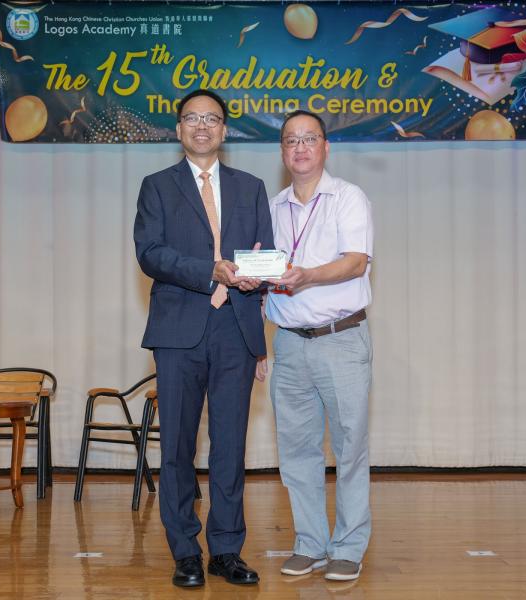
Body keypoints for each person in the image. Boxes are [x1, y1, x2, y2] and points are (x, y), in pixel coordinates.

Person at [133, 89, 274, 588]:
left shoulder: (251, 187)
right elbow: (149, 254)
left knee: (230, 446)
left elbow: (264, 254)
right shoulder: (157, 186)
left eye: (211, 119)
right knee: (176, 445)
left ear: (224, 129)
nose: (201, 126)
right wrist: (208, 270)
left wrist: (260, 281)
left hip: (235, 327)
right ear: (178, 129)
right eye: (191, 118)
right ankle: (185, 552)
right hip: (179, 330)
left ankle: (227, 550)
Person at [257, 110, 374, 581]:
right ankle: (310, 542)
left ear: (325, 147)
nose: (300, 148)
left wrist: (306, 275)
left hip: (340, 339)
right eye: (290, 141)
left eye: (309, 139)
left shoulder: (348, 198)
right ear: (282, 153)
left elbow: (355, 263)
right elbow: (260, 277)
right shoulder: (269, 207)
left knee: (349, 449)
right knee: (297, 449)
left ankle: (348, 546)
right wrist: (256, 346)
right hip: (288, 344)